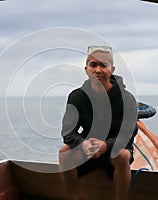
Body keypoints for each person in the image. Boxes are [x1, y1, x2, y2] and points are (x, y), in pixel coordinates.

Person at [59, 45, 138, 200]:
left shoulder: (126, 98)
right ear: (86, 69)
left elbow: (128, 134)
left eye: (104, 65)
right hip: (87, 148)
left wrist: (106, 146)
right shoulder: (77, 97)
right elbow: (68, 131)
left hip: (115, 148)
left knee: (121, 156)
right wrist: (83, 144)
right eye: (93, 65)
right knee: (64, 153)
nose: (98, 70)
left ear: (112, 69)